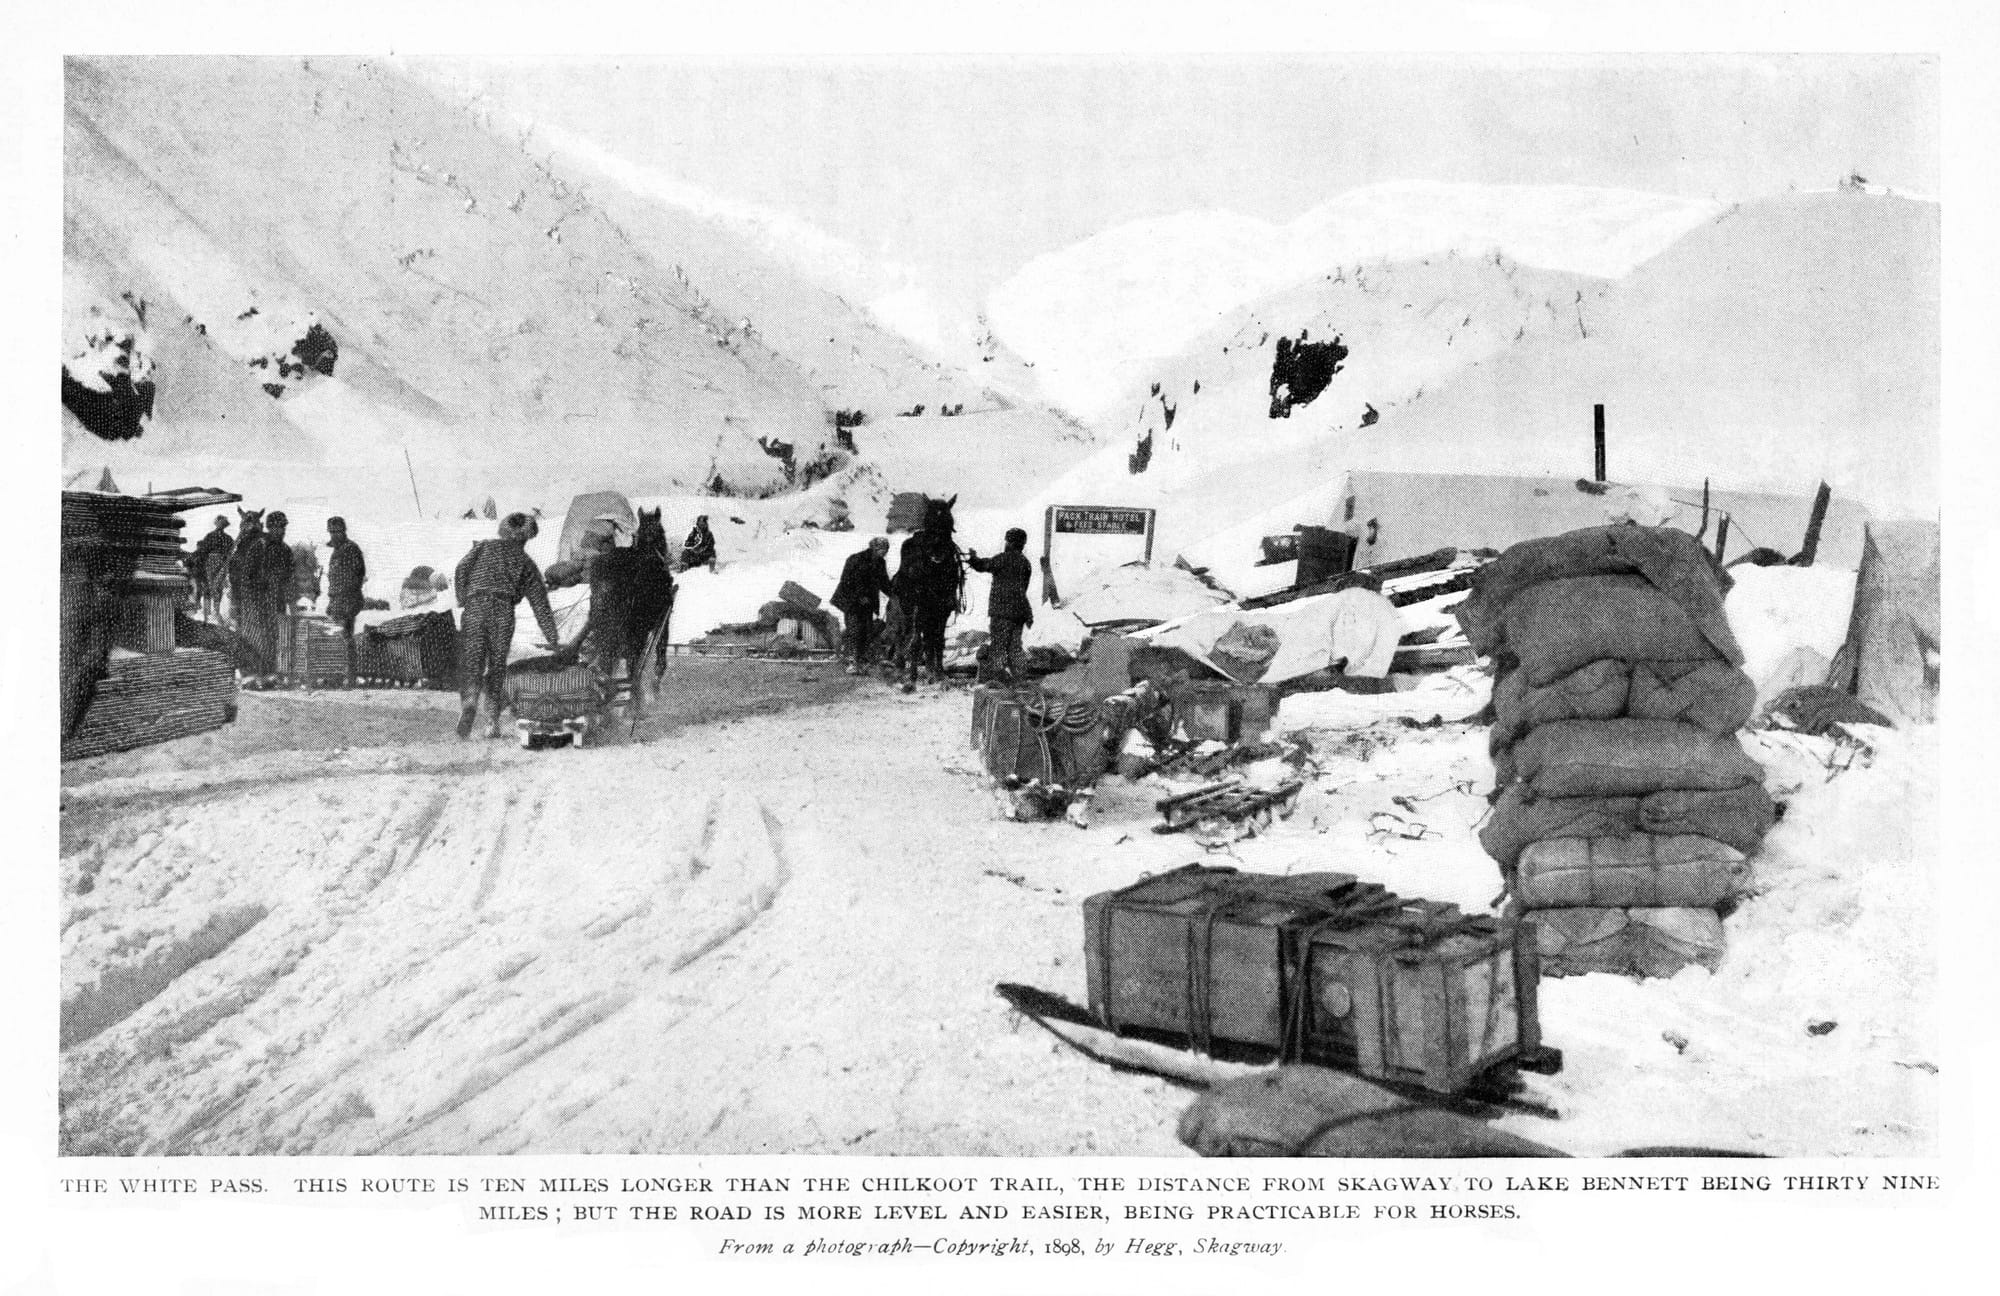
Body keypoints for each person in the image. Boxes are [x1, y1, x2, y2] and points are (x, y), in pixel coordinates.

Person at [453, 512, 561, 740]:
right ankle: (491, 720)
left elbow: (461, 569)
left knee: (472, 660)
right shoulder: (526, 564)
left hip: (475, 606)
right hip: (502, 610)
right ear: (527, 537)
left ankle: (470, 702)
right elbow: (540, 604)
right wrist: (552, 638)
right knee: (497, 665)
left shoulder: (482, 547)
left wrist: (464, 597)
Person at [965, 526, 1035, 683]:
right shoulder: (1026, 563)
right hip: (1020, 612)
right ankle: (1020, 680)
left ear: (1009, 542)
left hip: (1002, 613)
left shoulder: (1003, 558)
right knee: (1015, 647)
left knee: (998, 647)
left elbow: (983, 565)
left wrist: (973, 558)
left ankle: (998, 681)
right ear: (1023, 544)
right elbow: (1023, 588)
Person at [830, 536, 892, 674]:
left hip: (867, 604)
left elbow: (884, 582)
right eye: (881, 549)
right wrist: (859, 597)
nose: (883, 552)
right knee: (854, 630)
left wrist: (894, 594)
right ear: (873, 548)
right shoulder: (856, 559)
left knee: (865, 631)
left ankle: (861, 662)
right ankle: (852, 662)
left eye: (885, 550)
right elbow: (847, 581)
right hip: (850, 601)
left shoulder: (880, 563)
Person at [324, 517, 367, 687]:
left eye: (337, 531)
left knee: (344, 637)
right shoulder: (337, 551)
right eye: (332, 532)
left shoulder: (350, 549)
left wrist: (343, 599)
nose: (334, 535)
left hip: (347, 600)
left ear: (343, 531)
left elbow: (356, 576)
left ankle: (349, 676)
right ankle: (339, 675)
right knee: (337, 637)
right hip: (337, 600)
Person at [188, 515, 233, 622]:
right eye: (220, 523)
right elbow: (203, 551)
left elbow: (230, 553)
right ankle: (207, 613)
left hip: (221, 564)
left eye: (223, 523)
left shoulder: (228, 538)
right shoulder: (211, 536)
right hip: (211, 564)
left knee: (217, 587)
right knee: (209, 587)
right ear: (216, 523)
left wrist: (225, 563)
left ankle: (215, 613)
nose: (221, 525)